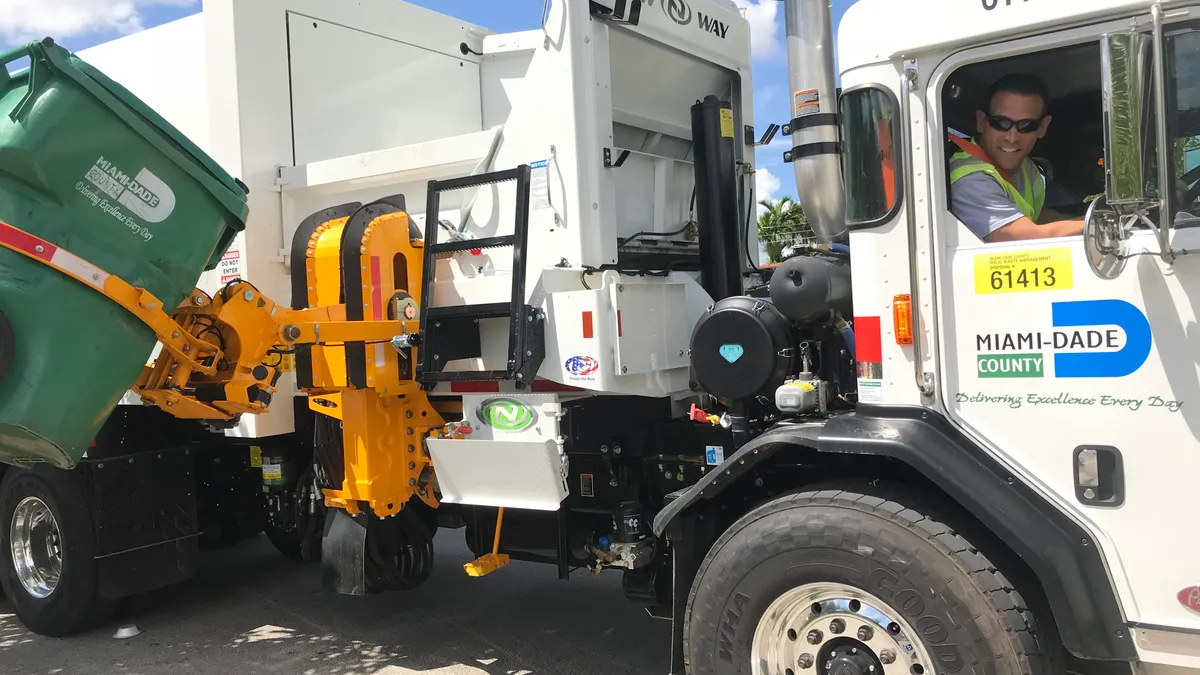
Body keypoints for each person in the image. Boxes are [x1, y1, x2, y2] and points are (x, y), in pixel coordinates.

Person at [949, 73, 1084, 242]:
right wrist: (1093, 226)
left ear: (1043, 127)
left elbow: (1035, 218)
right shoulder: (969, 179)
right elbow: (1023, 236)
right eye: (1001, 123)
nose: (1012, 138)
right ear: (981, 121)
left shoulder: (1025, 166)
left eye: (1026, 126)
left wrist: (1085, 218)